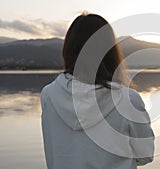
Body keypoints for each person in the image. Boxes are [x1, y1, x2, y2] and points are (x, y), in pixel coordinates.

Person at [40, 13, 154, 169]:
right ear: (110, 52)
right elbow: (145, 155)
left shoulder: (48, 95)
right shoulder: (128, 100)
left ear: (68, 50)